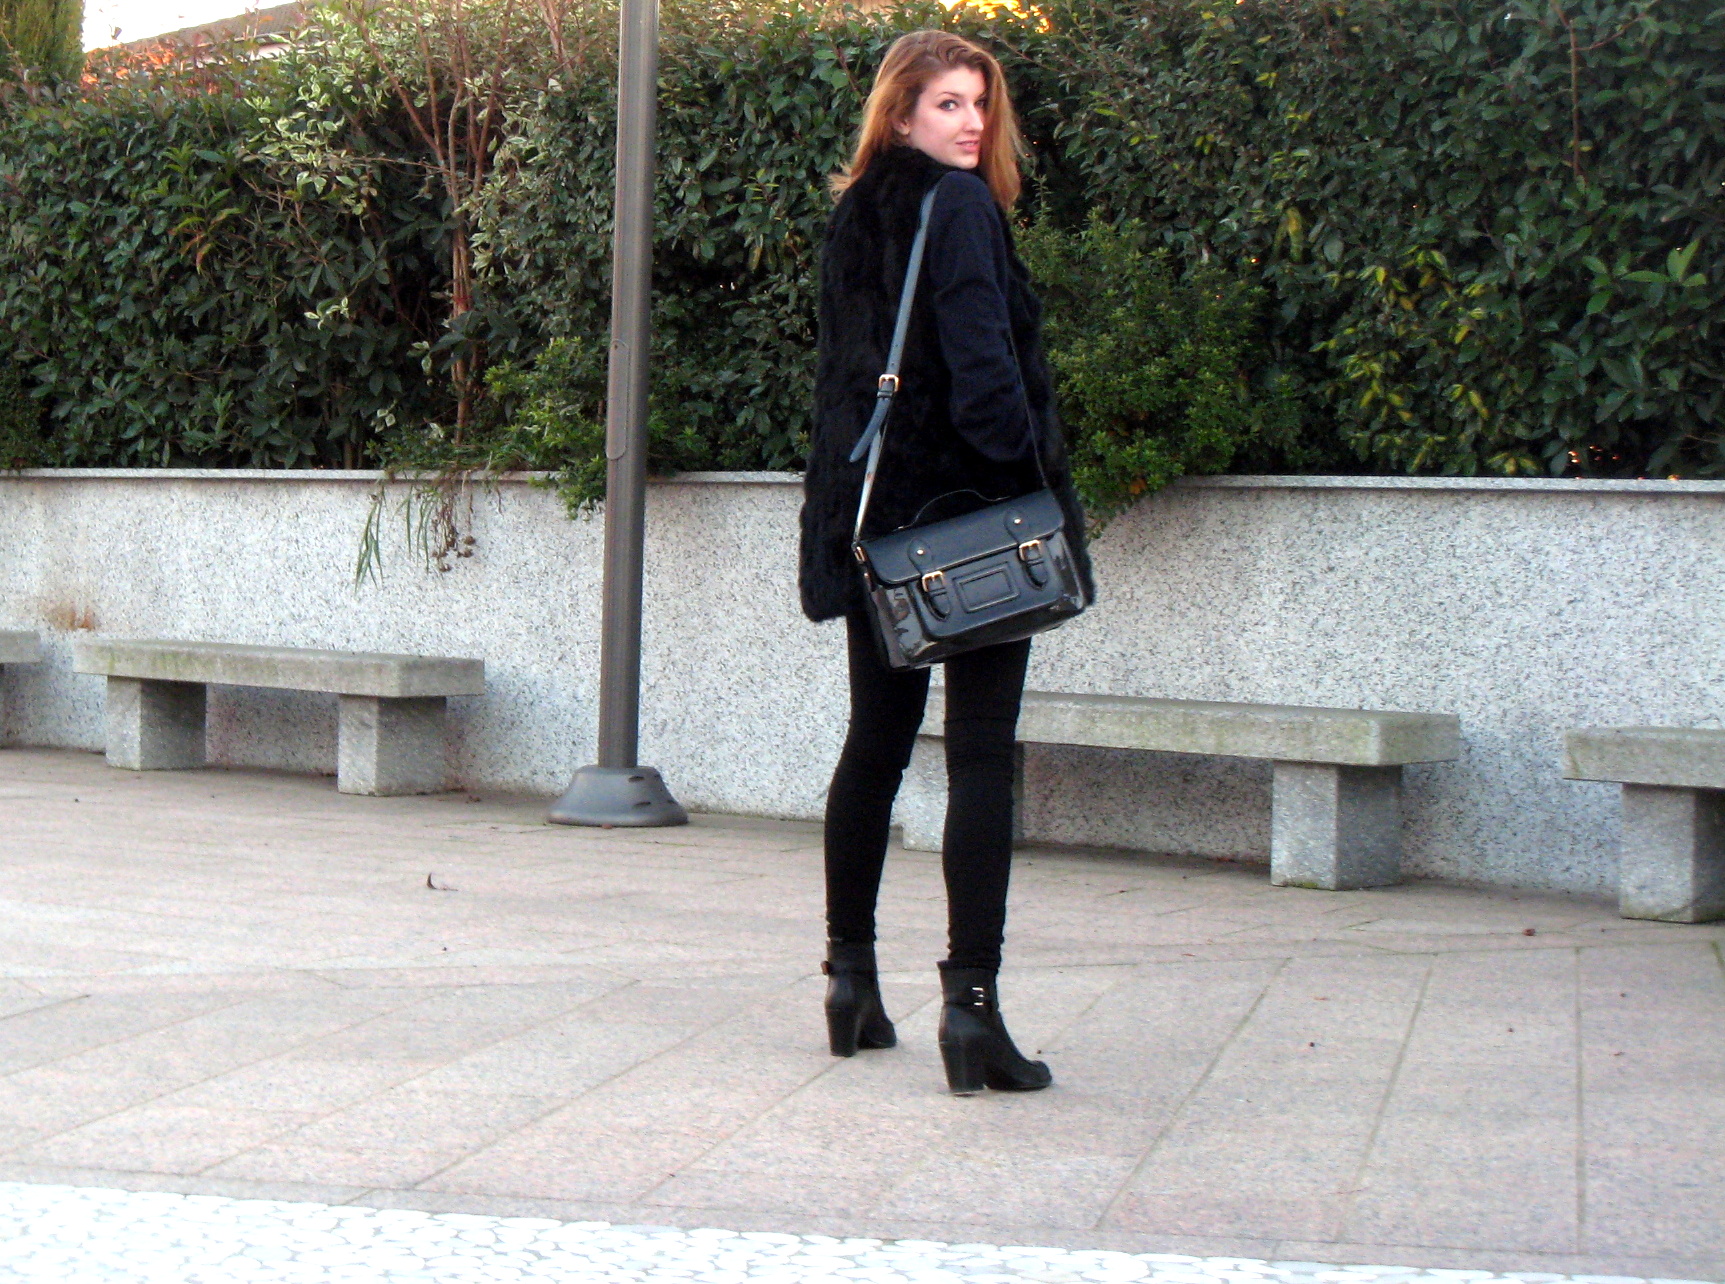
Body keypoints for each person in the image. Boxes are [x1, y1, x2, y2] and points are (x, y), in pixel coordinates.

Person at [798, 29, 1095, 1096]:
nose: (971, 124)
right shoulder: (961, 206)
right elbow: (981, 372)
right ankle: (972, 1012)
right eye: (947, 105)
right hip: (966, 522)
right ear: (901, 113)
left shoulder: (856, 212)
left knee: (874, 749)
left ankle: (850, 982)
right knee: (978, 757)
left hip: (876, 525)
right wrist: (1026, 483)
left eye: (978, 103)